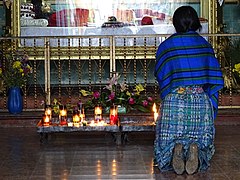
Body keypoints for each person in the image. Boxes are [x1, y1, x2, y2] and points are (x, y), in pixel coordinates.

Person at [154, 6, 224, 175]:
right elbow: (213, 78)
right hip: (199, 100)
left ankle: (175, 150)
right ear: (196, 23)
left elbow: (160, 74)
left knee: (170, 130)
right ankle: (195, 150)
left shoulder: (167, 46)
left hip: (174, 102)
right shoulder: (204, 45)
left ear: (175, 23)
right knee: (200, 132)